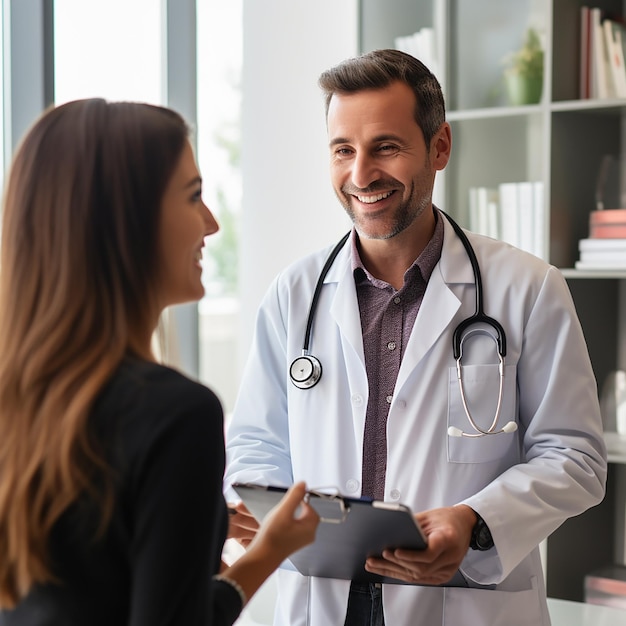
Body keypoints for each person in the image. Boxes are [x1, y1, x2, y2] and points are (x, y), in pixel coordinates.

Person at [224, 49, 608, 625]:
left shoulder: (528, 288)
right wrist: (264, 505)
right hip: (324, 602)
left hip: (462, 599)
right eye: (342, 150)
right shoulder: (294, 293)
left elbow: (574, 457)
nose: (361, 175)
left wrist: (475, 521)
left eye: (386, 147)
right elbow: (256, 443)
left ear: (440, 147)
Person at [0, 98, 319, 626]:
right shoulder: (176, 414)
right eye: (194, 196)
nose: (212, 225)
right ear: (127, 219)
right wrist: (272, 549)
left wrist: (192, 532)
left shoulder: (20, 398)